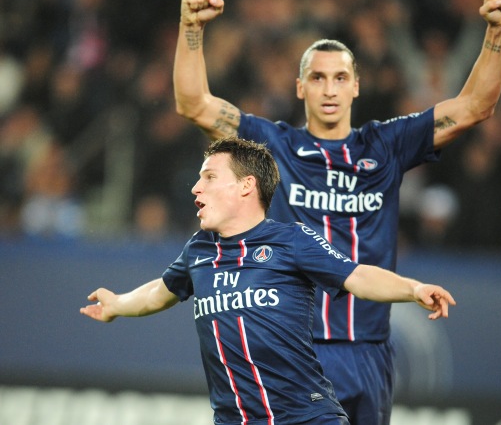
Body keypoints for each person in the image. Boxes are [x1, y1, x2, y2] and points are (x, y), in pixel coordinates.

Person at [173, 0, 501, 424]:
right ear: (300, 87)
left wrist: (497, 32)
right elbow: (193, 103)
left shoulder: (387, 144)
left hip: (369, 350)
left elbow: (475, 106)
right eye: (317, 78)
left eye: (340, 77)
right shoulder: (276, 145)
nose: (329, 89)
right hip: (297, 350)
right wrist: (191, 27)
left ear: (356, 85)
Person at [80, 138, 456, 425]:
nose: (196, 187)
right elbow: (159, 293)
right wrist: (118, 304)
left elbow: (357, 275)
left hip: (306, 418)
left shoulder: (291, 240)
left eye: (209, 177)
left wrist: (412, 289)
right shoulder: (199, 249)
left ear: (246, 185)